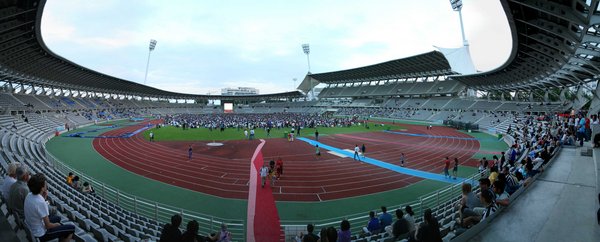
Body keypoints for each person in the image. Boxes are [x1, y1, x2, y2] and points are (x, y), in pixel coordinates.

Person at [24, 173, 75, 242]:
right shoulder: (40, 202)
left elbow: (38, 207)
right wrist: (57, 225)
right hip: (40, 234)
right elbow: (48, 225)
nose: (46, 185)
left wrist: (44, 198)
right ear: (42, 188)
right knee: (71, 228)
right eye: (45, 184)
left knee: (58, 218)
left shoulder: (29, 195)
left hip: (32, 227)